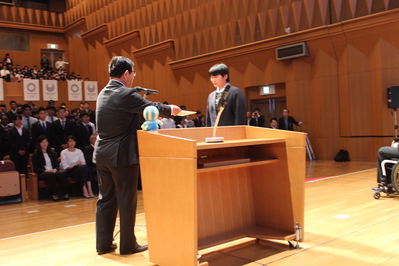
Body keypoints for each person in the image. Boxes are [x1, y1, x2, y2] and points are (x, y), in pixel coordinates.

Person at [94, 56, 181, 255]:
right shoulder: (125, 93)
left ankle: (103, 244)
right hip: (121, 156)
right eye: (133, 73)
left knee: (105, 199)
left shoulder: (103, 93)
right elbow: (152, 108)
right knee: (126, 199)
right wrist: (172, 110)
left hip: (102, 155)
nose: (133, 77)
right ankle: (127, 245)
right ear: (126, 74)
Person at [32, 135, 69, 202]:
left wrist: (55, 169)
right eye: (42, 142)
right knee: (50, 175)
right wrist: (47, 170)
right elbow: (36, 168)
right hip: (43, 172)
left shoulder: (52, 153)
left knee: (61, 174)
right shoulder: (36, 154)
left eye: (46, 142)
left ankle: (65, 193)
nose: (44, 144)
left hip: (53, 171)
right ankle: (54, 194)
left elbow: (57, 165)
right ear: (39, 144)